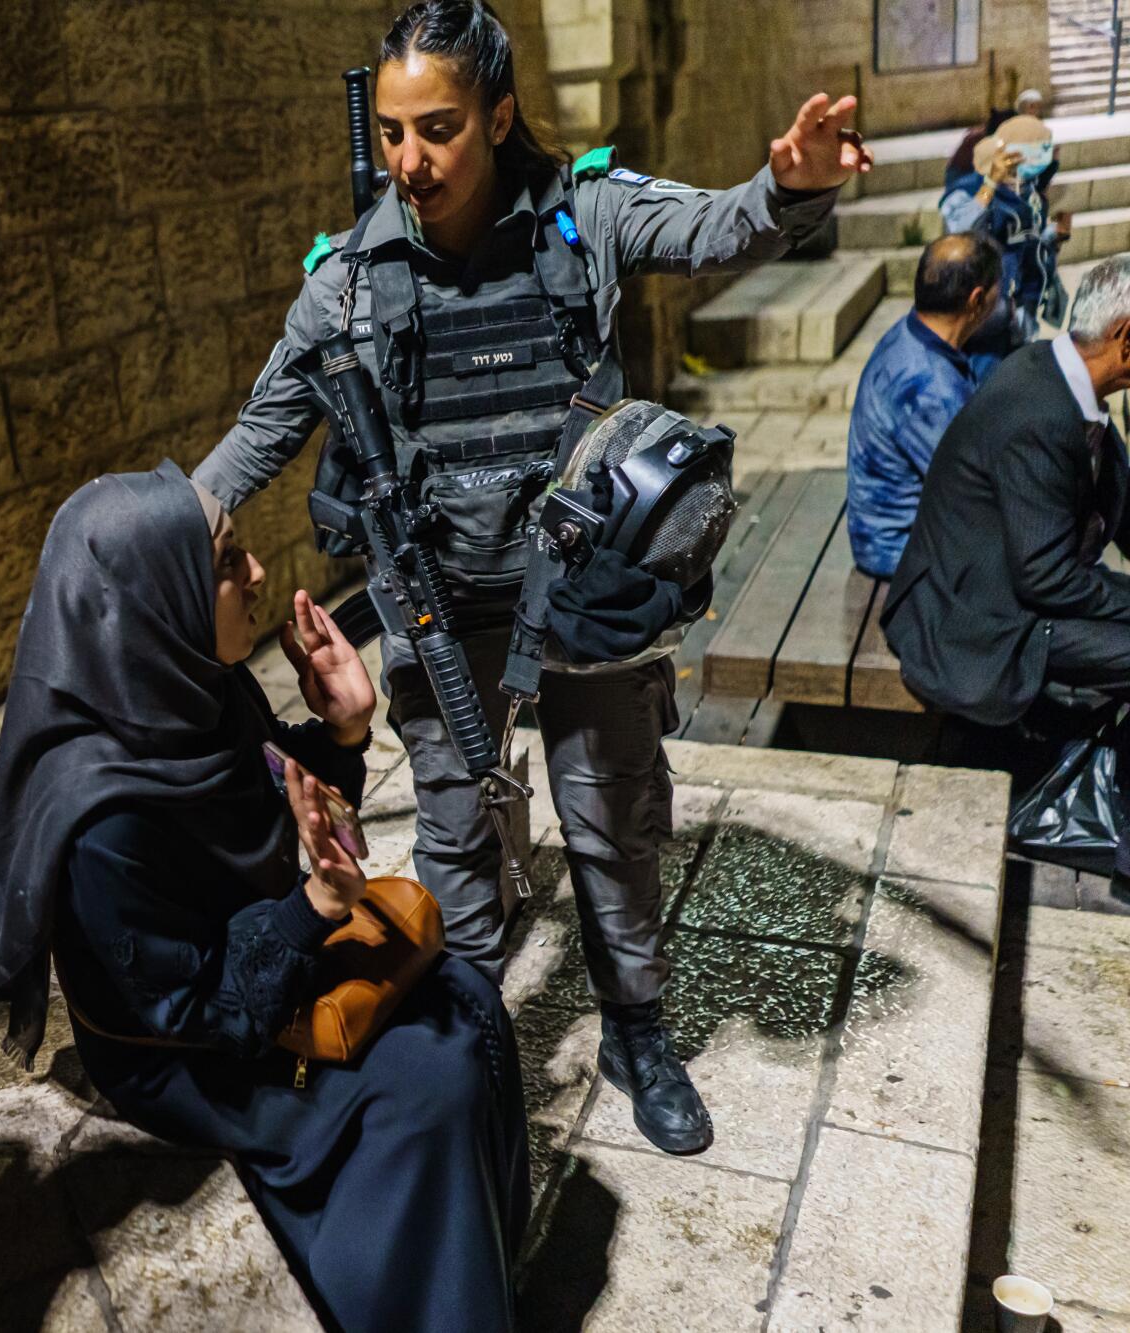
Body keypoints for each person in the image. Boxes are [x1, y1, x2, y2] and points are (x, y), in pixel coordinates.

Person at [189, 0, 867, 1157]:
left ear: (498, 115)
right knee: (452, 834)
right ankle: (471, 1038)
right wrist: (137, 546)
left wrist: (789, 186)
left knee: (610, 816)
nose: (410, 161)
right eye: (393, 134)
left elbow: (719, 229)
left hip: (584, 593)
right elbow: (249, 445)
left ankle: (634, 1027)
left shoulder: (583, 216)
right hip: (442, 605)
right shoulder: (347, 282)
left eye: (439, 129)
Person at [0, 464, 529, 1332]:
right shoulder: (101, 814)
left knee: (470, 998)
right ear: (158, 595)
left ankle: (479, 1273)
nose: (258, 573)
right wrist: (312, 906)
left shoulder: (193, 682)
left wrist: (341, 729)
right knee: (428, 1082)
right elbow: (187, 1004)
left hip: (254, 955)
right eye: (228, 562)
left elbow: (268, 794)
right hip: (179, 1044)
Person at [883, 255, 1130, 880]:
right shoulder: (1040, 412)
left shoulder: (1060, 377)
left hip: (1003, 589)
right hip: (969, 621)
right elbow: (1047, 580)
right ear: (1126, 338)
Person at [846, 232, 1002, 578]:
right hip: (897, 548)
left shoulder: (912, 333)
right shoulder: (928, 387)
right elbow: (975, 493)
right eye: (998, 289)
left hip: (894, 532)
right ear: (977, 300)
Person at [941, 115, 1070, 373]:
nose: (1046, 157)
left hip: (1019, 311)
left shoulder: (1028, 192)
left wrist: (1052, 235)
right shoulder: (967, 189)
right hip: (982, 318)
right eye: (1040, 150)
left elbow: (1027, 238)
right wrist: (991, 183)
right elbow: (960, 231)